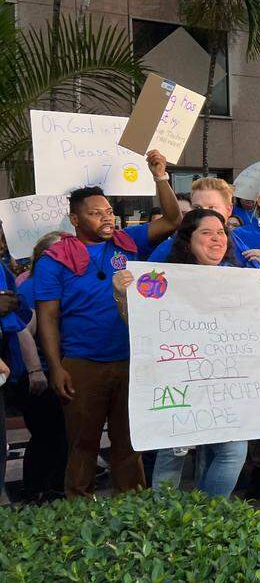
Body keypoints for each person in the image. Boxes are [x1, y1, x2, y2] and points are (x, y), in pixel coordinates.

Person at [38, 151, 180, 498]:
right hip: (83, 363)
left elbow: (174, 219)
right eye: (95, 213)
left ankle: (130, 514)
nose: (106, 218)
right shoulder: (54, 260)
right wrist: (55, 368)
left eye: (108, 211)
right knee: (83, 445)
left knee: (130, 443)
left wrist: (160, 176)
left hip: (131, 360)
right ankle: (79, 514)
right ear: (75, 219)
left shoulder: (128, 243)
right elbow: (47, 318)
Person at [124, 209, 260, 497]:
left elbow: (255, 329)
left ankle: (204, 516)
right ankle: (166, 520)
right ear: (188, 240)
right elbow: (138, 323)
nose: (216, 239)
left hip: (225, 385)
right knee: (173, 455)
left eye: (221, 232)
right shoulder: (164, 278)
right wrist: (123, 294)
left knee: (233, 453)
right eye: (207, 233)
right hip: (176, 384)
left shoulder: (241, 278)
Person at [8, 232, 68, 503]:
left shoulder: (62, 281)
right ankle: (34, 491)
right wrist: (35, 370)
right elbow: (22, 330)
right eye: (60, 250)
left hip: (60, 370)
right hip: (39, 374)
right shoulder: (32, 288)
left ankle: (56, 487)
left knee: (61, 433)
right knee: (46, 435)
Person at [148, 177, 260, 271]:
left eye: (211, 208)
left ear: (229, 210)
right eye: (197, 208)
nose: (204, 214)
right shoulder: (169, 248)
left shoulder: (241, 248)